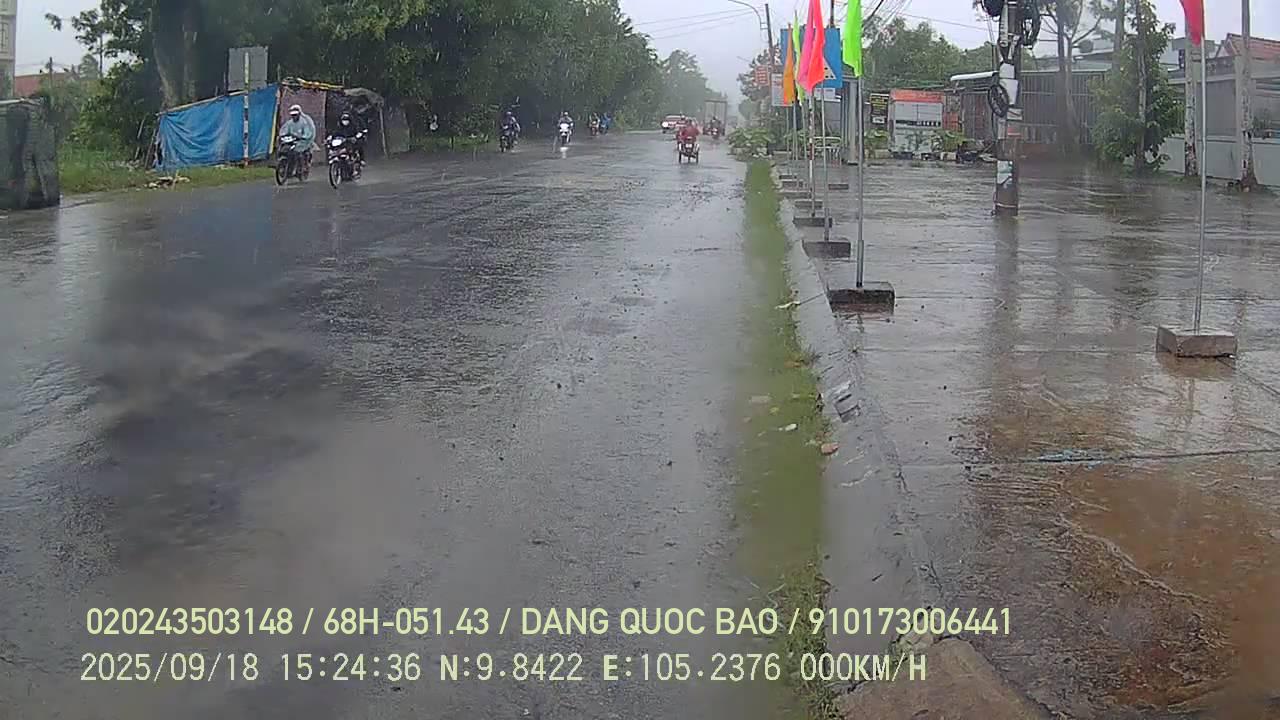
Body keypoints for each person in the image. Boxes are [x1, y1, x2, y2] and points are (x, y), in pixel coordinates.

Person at [279, 104, 317, 172]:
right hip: (292, 141)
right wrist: (282, 135)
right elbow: (284, 130)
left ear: (299, 114)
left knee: (298, 152)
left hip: (303, 142)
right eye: (292, 115)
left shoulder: (305, 122)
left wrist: (302, 137)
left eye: (295, 115)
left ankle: (301, 167)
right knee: (284, 149)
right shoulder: (289, 123)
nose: (294, 117)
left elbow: (308, 133)